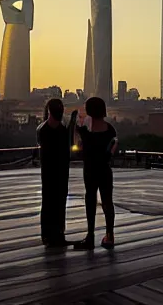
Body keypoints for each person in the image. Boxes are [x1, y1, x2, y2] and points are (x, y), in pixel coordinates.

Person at [73, 97, 118, 250]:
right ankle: (110, 236)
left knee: (90, 200)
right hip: (105, 169)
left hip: (90, 170)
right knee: (107, 202)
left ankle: (90, 235)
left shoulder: (85, 133)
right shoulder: (111, 130)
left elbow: (77, 147)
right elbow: (113, 150)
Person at [37, 98, 71, 247]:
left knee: (57, 202)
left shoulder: (52, 129)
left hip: (60, 171)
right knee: (51, 202)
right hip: (51, 171)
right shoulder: (48, 130)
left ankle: (57, 233)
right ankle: (49, 234)